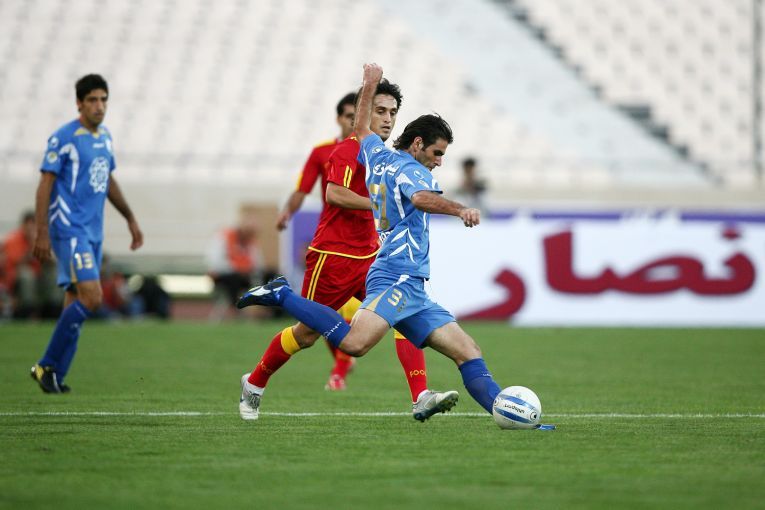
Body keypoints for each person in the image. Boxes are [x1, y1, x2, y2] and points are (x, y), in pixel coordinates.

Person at [238, 63, 506, 418]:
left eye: (392, 112)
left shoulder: (378, 152)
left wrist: (369, 83)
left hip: (375, 257)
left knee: (407, 324)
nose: (387, 119)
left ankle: (422, 395)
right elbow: (335, 194)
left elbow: (364, 131)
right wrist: (393, 205)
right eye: (380, 110)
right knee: (309, 335)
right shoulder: (352, 153)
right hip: (335, 254)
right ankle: (257, 377)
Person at [29, 74, 143, 394]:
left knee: (75, 303)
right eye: (92, 99)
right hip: (69, 229)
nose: (99, 106)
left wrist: (130, 218)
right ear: (79, 103)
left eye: (103, 99)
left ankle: (54, 375)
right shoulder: (64, 138)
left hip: (93, 231)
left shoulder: (105, 137)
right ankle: (45, 364)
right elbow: (45, 184)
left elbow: (107, 180)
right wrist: (42, 232)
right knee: (92, 297)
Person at [2, 210, 61, 318]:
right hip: (18, 278)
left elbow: (54, 261)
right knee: (26, 274)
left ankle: (53, 308)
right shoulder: (13, 240)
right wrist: (29, 250)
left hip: (40, 276)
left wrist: (45, 254)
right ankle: (28, 310)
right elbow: (14, 264)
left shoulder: (43, 238)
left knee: (54, 272)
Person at [206, 214, 265, 321]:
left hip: (244, 276)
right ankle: (236, 309)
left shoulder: (250, 243)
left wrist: (246, 270)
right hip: (223, 276)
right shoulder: (224, 237)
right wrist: (238, 268)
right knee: (234, 279)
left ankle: (269, 311)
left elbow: (257, 263)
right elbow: (215, 262)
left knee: (269, 275)